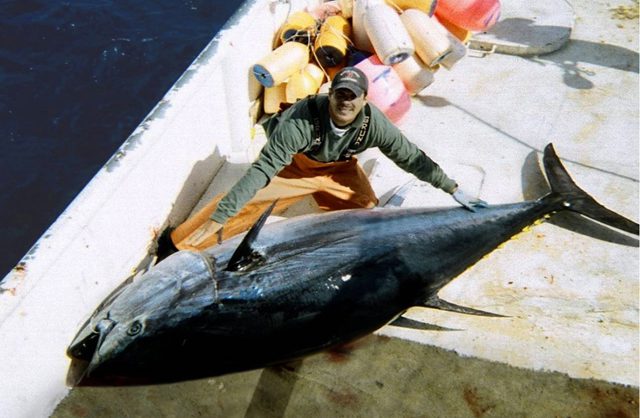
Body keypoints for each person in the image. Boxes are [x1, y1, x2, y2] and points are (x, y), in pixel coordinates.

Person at [171, 66, 486, 250]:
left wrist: (453, 189)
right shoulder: (301, 121)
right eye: (340, 94)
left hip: (340, 171)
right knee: (241, 201)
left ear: (365, 100)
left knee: (369, 218)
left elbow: (412, 158)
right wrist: (223, 215)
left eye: (353, 97)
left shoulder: (374, 123)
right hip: (295, 167)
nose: (345, 102)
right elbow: (262, 169)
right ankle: (180, 244)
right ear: (330, 94)